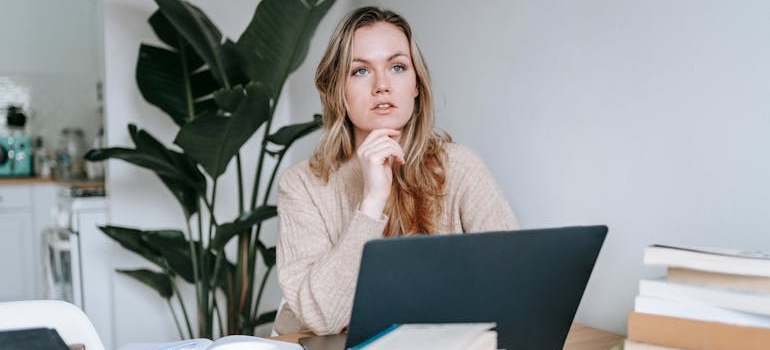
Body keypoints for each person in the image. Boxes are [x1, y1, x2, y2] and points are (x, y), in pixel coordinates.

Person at [274, 6, 519, 336]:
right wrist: (372, 201)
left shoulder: (459, 167)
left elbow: (515, 282)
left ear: (416, 84)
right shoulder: (302, 184)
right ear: (338, 91)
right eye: (360, 71)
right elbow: (323, 318)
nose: (382, 86)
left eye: (398, 67)